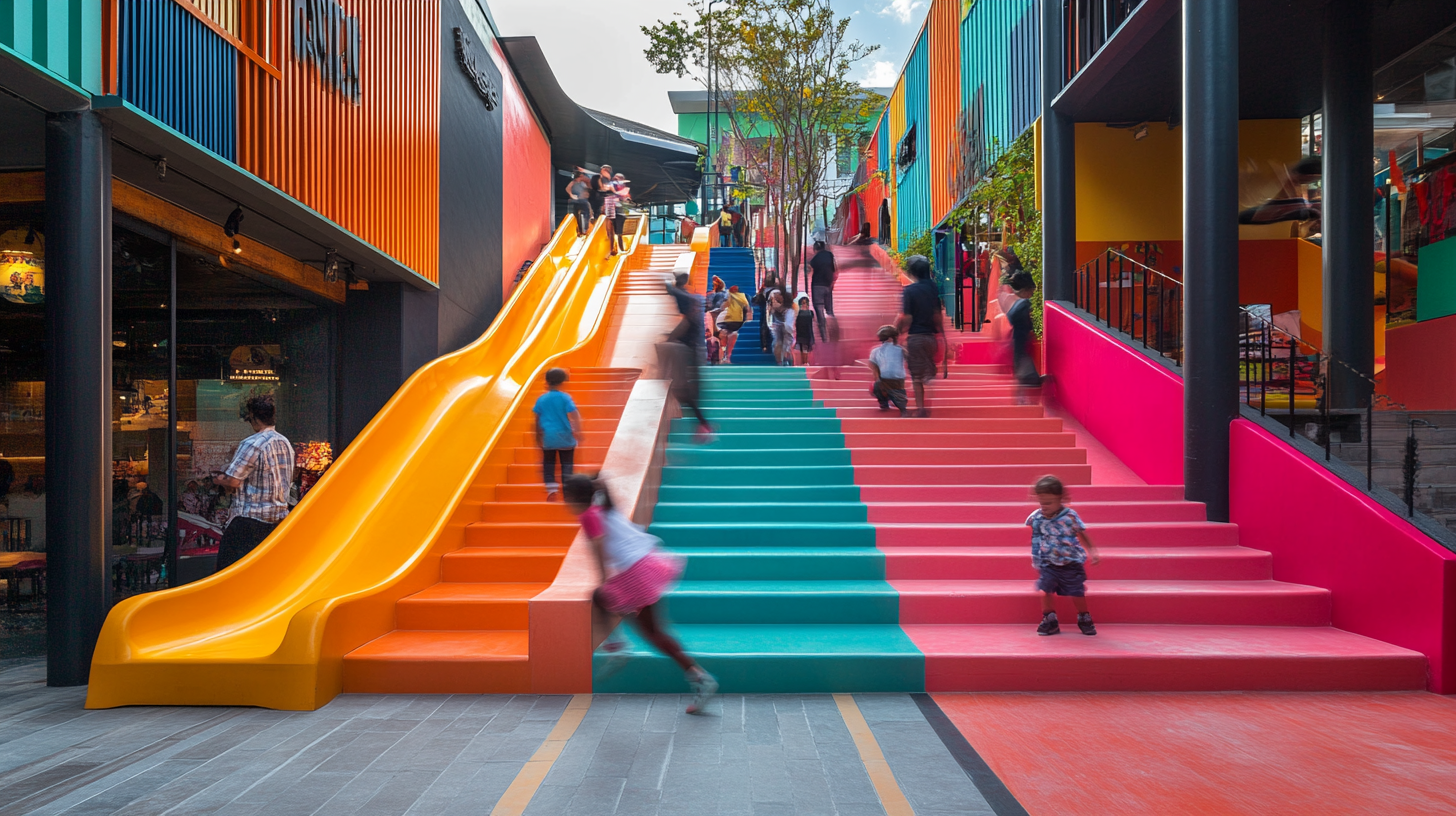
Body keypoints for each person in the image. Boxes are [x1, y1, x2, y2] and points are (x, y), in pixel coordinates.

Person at [565, 474, 718, 714]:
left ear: (572, 498)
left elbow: (598, 542)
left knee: (616, 607)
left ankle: (618, 648)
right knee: (645, 626)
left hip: (634, 571)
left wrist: (602, 577)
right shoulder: (603, 506)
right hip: (644, 564)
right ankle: (696, 677)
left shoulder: (588, 514)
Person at [213, 395, 293, 571]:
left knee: (228, 573)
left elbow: (233, 481)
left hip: (249, 521)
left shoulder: (252, 443)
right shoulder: (285, 443)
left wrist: (218, 479)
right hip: (278, 521)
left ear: (254, 417)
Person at [1028, 475, 1100, 636]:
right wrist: (1036, 556)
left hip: (1071, 562)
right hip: (1048, 562)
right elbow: (1036, 537)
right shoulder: (1038, 518)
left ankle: (1084, 617)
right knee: (1045, 589)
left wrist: (1092, 551)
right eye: (1041, 502)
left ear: (1060, 499)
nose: (1044, 506)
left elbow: (1082, 533)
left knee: (1076, 592)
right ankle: (1049, 618)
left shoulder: (1070, 517)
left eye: (1048, 503)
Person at [665, 272, 715, 442]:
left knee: (687, 393)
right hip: (692, 356)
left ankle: (704, 425)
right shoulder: (692, 309)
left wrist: (668, 284)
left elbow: (675, 291)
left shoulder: (691, 307)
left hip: (691, 358)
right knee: (686, 393)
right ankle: (703, 425)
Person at [895, 255, 944, 417]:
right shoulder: (933, 288)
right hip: (931, 337)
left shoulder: (909, 291)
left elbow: (906, 317)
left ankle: (921, 408)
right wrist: (942, 334)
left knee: (916, 376)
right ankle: (928, 395)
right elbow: (938, 314)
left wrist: (899, 332)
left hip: (916, 336)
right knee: (927, 372)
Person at [533, 368, 583, 501]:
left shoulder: (541, 399)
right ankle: (567, 492)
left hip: (548, 437)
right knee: (567, 464)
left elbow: (537, 418)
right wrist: (578, 430)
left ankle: (551, 488)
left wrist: (537, 435)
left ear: (547, 382)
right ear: (562, 382)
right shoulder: (565, 397)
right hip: (565, 436)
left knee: (548, 463)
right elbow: (574, 414)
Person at [1006, 270, 1046, 390]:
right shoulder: (1024, 305)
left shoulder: (1016, 304)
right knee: (1026, 371)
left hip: (1017, 340)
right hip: (1021, 339)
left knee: (1022, 366)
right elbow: (1025, 325)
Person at [868, 324, 909, 415]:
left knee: (875, 386)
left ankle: (883, 402)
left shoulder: (875, 351)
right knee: (899, 393)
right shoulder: (901, 349)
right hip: (899, 378)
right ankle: (903, 408)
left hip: (883, 378)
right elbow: (909, 359)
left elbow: (873, 367)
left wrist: (878, 380)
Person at [808, 240, 837, 341]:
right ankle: (834, 331)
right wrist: (832, 282)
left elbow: (809, 269)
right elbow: (834, 269)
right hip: (827, 285)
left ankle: (824, 337)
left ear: (815, 249)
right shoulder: (829, 255)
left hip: (817, 285)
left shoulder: (814, 259)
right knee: (829, 310)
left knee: (819, 310)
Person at [718, 284, 751, 364]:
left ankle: (724, 357)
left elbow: (723, 307)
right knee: (730, 335)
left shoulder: (730, 296)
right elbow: (748, 308)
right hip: (736, 320)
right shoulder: (743, 297)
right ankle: (726, 357)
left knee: (726, 335)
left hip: (728, 320)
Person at [768, 291, 796, 367]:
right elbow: (769, 321)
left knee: (786, 344)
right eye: (772, 300)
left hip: (787, 328)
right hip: (777, 327)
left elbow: (789, 326)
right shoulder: (772, 310)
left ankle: (787, 360)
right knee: (777, 343)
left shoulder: (789, 311)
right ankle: (779, 361)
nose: (773, 302)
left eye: (775, 300)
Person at [599, 166, 622, 256]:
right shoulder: (603, 180)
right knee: (608, 227)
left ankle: (612, 247)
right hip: (606, 202)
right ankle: (611, 247)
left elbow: (609, 189)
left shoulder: (610, 182)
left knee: (610, 227)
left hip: (609, 202)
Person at [566, 169, 593, 236]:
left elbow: (589, 188)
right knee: (575, 217)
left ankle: (585, 230)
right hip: (575, 202)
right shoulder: (573, 182)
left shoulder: (584, 182)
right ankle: (578, 231)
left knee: (585, 216)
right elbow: (567, 188)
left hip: (583, 201)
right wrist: (571, 195)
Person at [612, 173, 631, 253]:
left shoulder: (624, 189)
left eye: (618, 179)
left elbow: (627, 198)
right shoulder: (612, 187)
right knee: (612, 231)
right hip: (612, 211)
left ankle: (620, 248)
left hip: (620, 212)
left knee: (618, 231)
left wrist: (624, 199)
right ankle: (614, 248)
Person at [794, 294, 815, 365]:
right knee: (801, 348)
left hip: (807, 333)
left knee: (805, 348)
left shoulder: (810, 313)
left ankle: (805, 362)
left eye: (805, 303)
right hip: (800, 332)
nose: (804, 305)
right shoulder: (798, 313)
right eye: (803, 303)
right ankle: (803, 362)